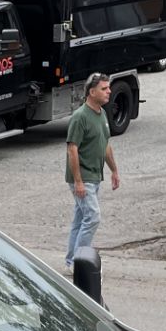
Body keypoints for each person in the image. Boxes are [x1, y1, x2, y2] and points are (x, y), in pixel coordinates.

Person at [64, 73, 119, 269]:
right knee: (93, 217)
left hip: (95, 177)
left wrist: (114, 170)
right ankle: (81, 264)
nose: (109, 91)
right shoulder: (80, 117)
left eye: (108, 88)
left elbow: (105, 144)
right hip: (83, 178)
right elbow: (72, 149)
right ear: (91, 92)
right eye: (104, 89)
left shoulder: (102, 114)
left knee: (80, 221)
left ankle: (71, 261)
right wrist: (78, 181)